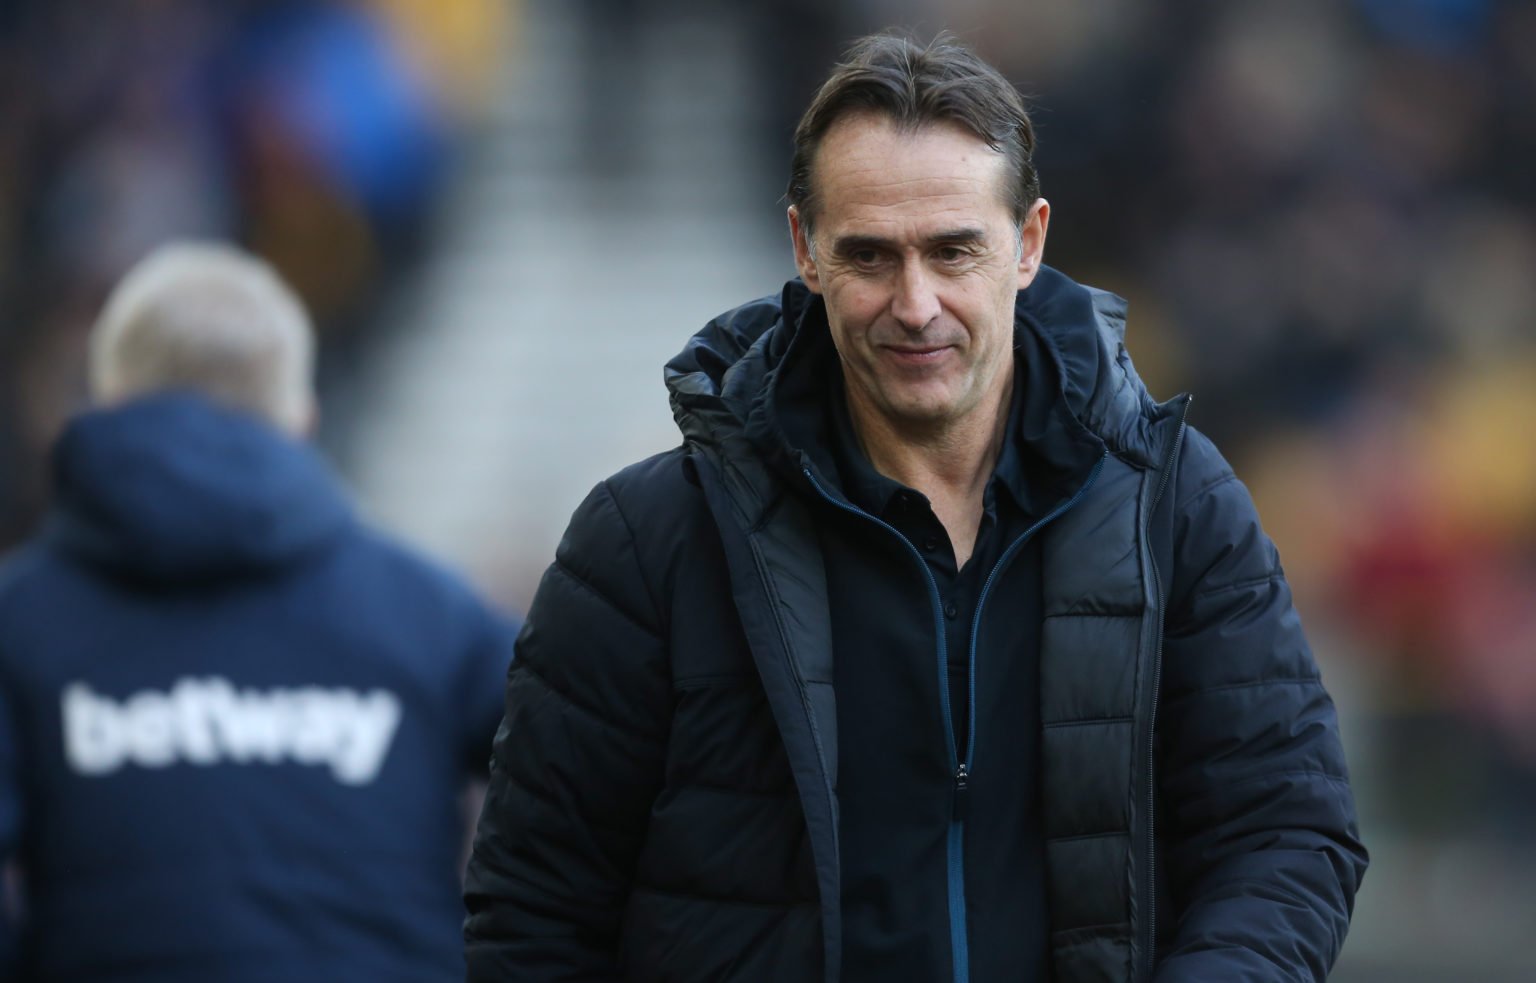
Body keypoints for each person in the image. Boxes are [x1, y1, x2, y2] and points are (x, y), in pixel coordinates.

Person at [463, 32, 1367, 983]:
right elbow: (535, 911)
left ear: (1028, 243)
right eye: (870, 256)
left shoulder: (1174, 507)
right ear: (805, 250)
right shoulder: (647, 543)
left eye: (953, 250)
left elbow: (1287, 833)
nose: (916, 302)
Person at [0, 242, 516, 981]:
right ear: (301, 417)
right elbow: (605, 783)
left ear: (108, 400)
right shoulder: (432, 613)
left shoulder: (20, 620)